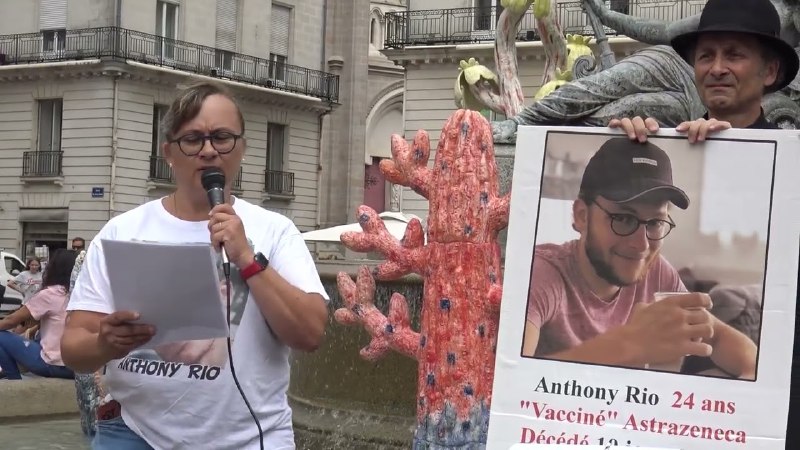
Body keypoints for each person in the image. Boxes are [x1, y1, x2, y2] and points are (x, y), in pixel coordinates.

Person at [61, 81, 330, 449]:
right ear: (168, 152)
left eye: (222, 137)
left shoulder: (275, 231)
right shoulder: (122, 231)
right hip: (137, 433)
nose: (208, 151)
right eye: (193, 139)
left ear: (242, 148)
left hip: (251, 438)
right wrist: (106, 343)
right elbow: (73, 349)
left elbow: (310, 334)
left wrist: (248, 260)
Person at [604, 0, 800, 446]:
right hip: (672, 413)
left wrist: (742, 157)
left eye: (734, 54)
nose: (716, 68)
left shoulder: (792, 164)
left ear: (769, 72)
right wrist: (627, 146)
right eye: (706, 56)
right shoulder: (664, 148)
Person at [521, 137, 757, 379]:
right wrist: (627, 345)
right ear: (582, 216)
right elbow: (509, 381)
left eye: (655, 222)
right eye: (623, 219)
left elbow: (730, 347)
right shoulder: (541, 274)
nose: (641, 245)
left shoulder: (657, 273)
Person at [0, 249, 77, 380]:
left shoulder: (51, 293)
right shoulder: (82, 294)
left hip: (53, 365)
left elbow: (11, 320)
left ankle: (13, 381)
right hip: (77, 367)